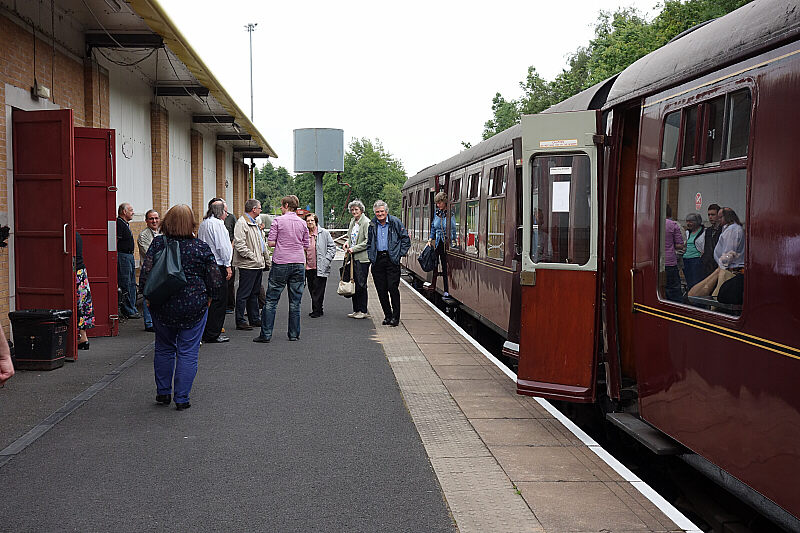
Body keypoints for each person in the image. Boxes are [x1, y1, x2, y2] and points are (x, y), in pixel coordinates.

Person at [139, 204, 223, 410]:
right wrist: (209, 298)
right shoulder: (200, 248)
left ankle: (163, 392)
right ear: (191, 224)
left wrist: (148, 299)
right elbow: (215, 281)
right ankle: (182, 398)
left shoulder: (158, 244)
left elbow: (145, 275)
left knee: (164, 348)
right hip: (193, 306)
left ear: (167, 222)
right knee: (187, 352)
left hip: (162, 305)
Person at [254, 195, 310, 343]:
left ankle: (265, 334)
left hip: (281, 262)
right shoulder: (302, 223)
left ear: (286, 205)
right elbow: (306, 244)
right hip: (298, 262)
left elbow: (271, 243)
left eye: (281, 205)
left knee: (271, 300)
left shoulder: (278, 221)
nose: (280, 208)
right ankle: (294, 334)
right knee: (295, 302)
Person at [688, 207, 745, 305]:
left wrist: (721, 266)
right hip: (724, 268)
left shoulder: (733, 230)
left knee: (717, 298)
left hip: (728, 270)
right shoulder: (728, 229)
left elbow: (729, 252)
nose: (718, 219)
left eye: (720, 217)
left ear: (727, 217)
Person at [367, 200, 411, 326]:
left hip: (392, 260)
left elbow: (405, 240)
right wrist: (371, 256)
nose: (380, 214)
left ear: (386, 212)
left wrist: (399, 254)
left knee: (392, 288)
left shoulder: (395, 222)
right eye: (377, 212)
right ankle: (387, 315)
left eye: (382, 211)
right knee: (381, 290)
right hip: (378, 260)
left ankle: (396, 317)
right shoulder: (372, 224)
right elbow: (369, 243)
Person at [197, 199, 233, 343]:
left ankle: (206, 329)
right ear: (220, 212)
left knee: (209, 299)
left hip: (205, 265)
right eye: (225, 211)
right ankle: (213, 332)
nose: (227, 214)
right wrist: (228, 264)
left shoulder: (204, 224)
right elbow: (223, 247)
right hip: (218, 265)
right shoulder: (218, 225)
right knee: (219, 299)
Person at [232, 199, 268, 331]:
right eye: (259, 208)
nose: (261, 210)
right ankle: (240, 320)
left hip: (256, 264)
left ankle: (254, 318)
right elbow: (240, 245)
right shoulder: (242, 223)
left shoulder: (253, 223)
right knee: (244, 293)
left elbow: (260, 243)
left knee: (254, 293)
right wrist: (253, 256)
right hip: (248, 265)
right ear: (253, 209)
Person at [304, 212, 336, 318]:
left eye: (312, 220)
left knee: (318, 290)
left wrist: (326, 261)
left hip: (321, 266)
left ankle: (317, 310)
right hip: (308, 266)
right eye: (308, 221)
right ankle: (318, 308)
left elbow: (332, 247)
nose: (310, 222)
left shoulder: (324, 233)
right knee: (311, 289)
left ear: (316, 221)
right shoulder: (304, 234)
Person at [342, 200, 371, 319]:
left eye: (356, 210)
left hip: (362, 258)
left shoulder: (366, 222)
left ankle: (363, 310)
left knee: (361, 284)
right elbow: (350, 237)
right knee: (353, 282)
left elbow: (367, 241)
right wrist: (347, 243)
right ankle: (356, 309)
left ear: (361, 210)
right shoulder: (353, 222)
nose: (354, 212)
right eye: (352, 210)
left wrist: (354, 249)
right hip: (353, 257)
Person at [427, 191, 454, 297]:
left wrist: (453, 240)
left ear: (444, 202)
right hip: (438, 241)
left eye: (439, 203)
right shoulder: (437, 213)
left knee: (445, 266)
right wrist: (430, 238)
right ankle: (433, 283)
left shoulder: (450, 213)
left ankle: (447, 289)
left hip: (447, 241)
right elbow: (434, 226)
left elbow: (453, 228)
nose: (438, 205)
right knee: (434, 262)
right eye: (437, 203)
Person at [137, 209, 160, 332]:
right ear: (146, 221)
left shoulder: (162, 232)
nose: (154, 221)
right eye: (151, 219)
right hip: (149, 271)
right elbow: (150, 254)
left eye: (156, 218)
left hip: (161, 271)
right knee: (147, 295)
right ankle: (149, 322)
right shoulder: (143, 235)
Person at [117, 202, 140, 319]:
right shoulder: (119, 224)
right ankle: (128, 310)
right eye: (131, 210)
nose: (133, 212)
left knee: (131, 283)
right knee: (125, 283)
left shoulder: (125, 224)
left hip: (129, 256)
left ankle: (132, 308)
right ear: (124, 212)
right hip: (123, 256)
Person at [75, 232, 94, 350]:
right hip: (81, 272)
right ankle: (83, 336)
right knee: (82, 305)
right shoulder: (77, 235)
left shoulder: (68, 234)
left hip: (74, 272)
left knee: (75, 305)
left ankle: (79, 337)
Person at [663, 204, 685, 302]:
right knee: (674, 291)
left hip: (655, 263)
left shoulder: (652, 223)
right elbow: (680, 245)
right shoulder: (673, 224)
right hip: (670, 262)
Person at [681, 212, 705, 291]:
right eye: (687, 221)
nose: (688, 223)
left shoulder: (704, 232)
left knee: (696, 282)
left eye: (691, 221)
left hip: (696, 259)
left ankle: (696, 300)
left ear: (697, 222)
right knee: (689, 282)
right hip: (685, 259)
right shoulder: (687, 232)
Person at [700, 203, 723, 277]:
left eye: (713, 215)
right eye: (709, 215)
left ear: (719, 215)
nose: (710, 217)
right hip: (707, 265)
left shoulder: (724, 230)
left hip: (719, 264)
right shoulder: (708, 230)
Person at [223, 203, 237, 313]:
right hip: (219, 254)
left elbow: (235, 235)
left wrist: (231, 248)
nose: (226, 214)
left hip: (229, 251)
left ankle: (230, 305)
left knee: (230, 279)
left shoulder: (231, 218)